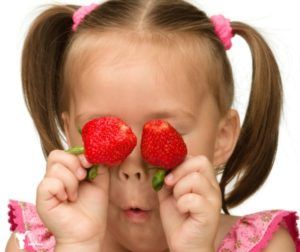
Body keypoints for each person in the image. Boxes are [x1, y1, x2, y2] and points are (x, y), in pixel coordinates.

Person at [5, 0, 300, 251]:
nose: (133, 166)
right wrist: (76, 245)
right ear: (70, 134)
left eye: (164, 130)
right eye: (103, 129)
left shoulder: (267, 245)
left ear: (222, 137)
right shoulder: (36, 243)